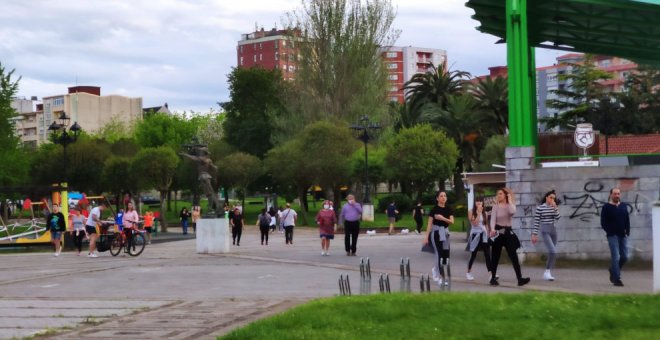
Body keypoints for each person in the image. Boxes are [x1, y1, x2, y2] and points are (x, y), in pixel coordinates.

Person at [489, 188, 530, 286]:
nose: (498, 195)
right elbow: (493, 220)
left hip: (507, 231)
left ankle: (520, 279)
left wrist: (510, 200)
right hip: (498, 231)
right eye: (497, 194)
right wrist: (492, 229)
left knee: (513, 256)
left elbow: (513, 211)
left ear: (505, 195)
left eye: (500, 194)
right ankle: (493, 278)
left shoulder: (509, 206)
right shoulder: (495, 207)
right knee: (495, 256)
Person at [600, 188, 630, 287]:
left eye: (618, 194)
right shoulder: (606, 207)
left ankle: (613, 269)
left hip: (623, 234)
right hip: (612, 235)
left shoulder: (623, 206)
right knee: (616, 257)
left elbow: (627, 219)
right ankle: (617, 279)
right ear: (611, 195)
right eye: (615, 194)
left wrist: (627, 231)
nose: (617, 195)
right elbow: (603, 222)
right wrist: (610, 231)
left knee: (625, 256)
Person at [423, 191, 454, 286]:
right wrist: (426, 237)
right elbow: (429, 224)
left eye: (445, 196)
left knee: (445, 255)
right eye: (441, 196)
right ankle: (441, 276)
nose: (443, 197)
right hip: (436, 233)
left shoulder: (449, 209)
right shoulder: (434, 209)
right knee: (439, 253)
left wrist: (442, 218)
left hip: (445, 233)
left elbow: (452, 222)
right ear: (437, 198)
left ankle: (435, 269)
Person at [531, 190, 561, 281]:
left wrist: (555, 208)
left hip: (553, 230)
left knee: (552, 252)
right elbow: (536, 222)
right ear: (547, 197)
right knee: (552, 251)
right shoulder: (540, 208)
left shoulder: (554, 207)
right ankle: (547, 272)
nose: (552, 199)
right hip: (545, 230)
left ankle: (548, 272)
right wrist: (534, 234)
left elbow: (558, 218)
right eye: (551, 197)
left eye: (554, 198)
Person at [466, 197, 492, 281]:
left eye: (480, 202)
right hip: (475, 234)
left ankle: (491, 273)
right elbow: (475, 223)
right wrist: (479, 213)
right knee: (473, 254)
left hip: (483, 234)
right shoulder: (471, 212)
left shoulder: (485, 213)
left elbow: (486, 224)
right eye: (477, 201)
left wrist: (488, 233)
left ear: (482, 203)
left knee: (487, 254)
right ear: (475, 203)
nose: (478, 203)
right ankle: (468, 272)